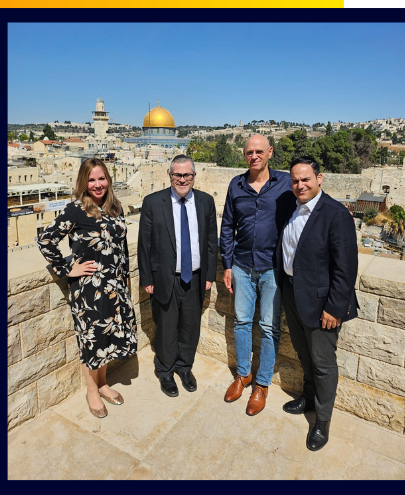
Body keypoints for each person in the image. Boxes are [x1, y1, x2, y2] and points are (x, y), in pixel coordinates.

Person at [37, 158, 137, 419]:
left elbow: (122, 249)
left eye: (101, 178)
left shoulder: (116, 207)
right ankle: (92, 390)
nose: (97, 184)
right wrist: (67, 269)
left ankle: (103, 383)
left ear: (108, 179)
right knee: (92, 341)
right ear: (83, 182)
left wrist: (125, 279)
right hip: (90, 290)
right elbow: (46, 240)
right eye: (91, 180)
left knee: (106, 340)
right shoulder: (76, 210)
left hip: (115, 287)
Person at [277, 157, 358, 451]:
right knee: (303, 353)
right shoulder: (291, 207)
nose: (300, 185)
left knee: (323, 363)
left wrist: (335, 309)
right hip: (292, 295)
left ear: (319, 178)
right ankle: (308, 398)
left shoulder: (335, 214)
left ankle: (322, 420)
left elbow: (345, 268)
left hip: (322, 304)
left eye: (306, 179)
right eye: (295, 180)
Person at [220, 134, 291, 415]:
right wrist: (227, 264)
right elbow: (227, 226)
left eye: (259, 151)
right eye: (249, 152)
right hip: (241, 266)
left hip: (273, 268)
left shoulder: (285, 183)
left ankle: (261, 384)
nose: (254, 156)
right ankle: (243, 375)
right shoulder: (236, 185)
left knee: (270, 327)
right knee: (241, 322)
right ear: (244, 154)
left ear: (270, 152)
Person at [139, 155, 217, 397]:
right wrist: (147, 279)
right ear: (169, 175)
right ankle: (165, 371)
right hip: (165, 278)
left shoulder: (205, 202)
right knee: (166, 327)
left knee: (190, 327)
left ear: (194, 176)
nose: (182, 179)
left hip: (194, 278)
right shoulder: (153, 202)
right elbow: (145, 244)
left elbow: (211, 243)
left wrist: (209, 275)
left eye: (187, 175)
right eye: (177, 175)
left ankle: (184, 367)